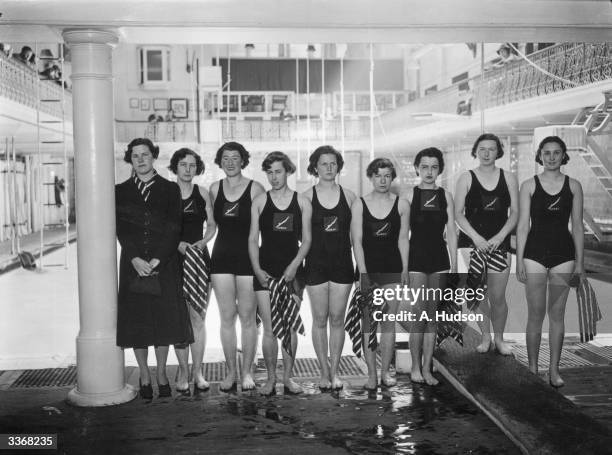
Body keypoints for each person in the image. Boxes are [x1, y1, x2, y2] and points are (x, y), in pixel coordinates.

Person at [115, 138, 193, 399]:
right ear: (130, 159)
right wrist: (135, 258)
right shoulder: (121, 191)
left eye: (145, 154)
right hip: (133, 265)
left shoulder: (170, 189)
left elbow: (174, 227)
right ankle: (144, 374)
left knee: (163, 321)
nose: (140, 159)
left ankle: (161, 372)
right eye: (135, 155)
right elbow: (122, 229)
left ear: (153, 157)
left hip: (165, 264)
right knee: (138, 322)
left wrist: (158, 259)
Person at [516, 136, 584, 388]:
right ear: (540, 155)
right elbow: (523, 226)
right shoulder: (529, 185)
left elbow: (577, 227)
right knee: (535, 314)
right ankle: (533, 368)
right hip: (533, 254)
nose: (552, 157)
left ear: (564, 155)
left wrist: (580, 263)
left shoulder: (574, 186)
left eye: (557, 153)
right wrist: (520, 260)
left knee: (557, 315)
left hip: (563, 255)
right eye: (547, 153)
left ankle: (554, 370)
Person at [248, 151, 312, 396]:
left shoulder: (302, 202)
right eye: (270, 172)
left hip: (293, 271)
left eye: (278, 171)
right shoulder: (260, 202)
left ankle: (288, 377)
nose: (274, 177)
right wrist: (257, 269)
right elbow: (253, 239)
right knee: (270, 328)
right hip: (265, 271)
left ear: (288, 171)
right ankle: (271, 379)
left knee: (290, 327)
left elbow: (307, 240)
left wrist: (295, 265)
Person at [455, 133, 519, 355]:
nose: (486, 153)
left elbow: (516, 213)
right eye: (482, 148)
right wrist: (476, 238)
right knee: (478, 293)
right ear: (475, 151)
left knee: (498, 295)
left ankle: (500, 339)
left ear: (498, 152)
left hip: (499, 242)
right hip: (472, 242)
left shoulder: (509, 178)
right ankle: (485, 336)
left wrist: (500, 237)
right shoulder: (466, 178)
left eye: (491, 149)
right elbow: (458, 214)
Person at [210, 142, 265, 391]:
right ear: (220, 161)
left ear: (243, 160)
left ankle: (247, 372)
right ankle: (231, 371)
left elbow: (263, 229)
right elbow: (211, 225)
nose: (230, 162)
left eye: (235, 158)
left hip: (247, 258)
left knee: (247, 318)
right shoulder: (214, 189)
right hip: (221, 257)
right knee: (226, 318)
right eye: (226, 158)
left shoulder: (255, 189)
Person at [351, 158, 410, 390]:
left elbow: (403, 239)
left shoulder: (402, 204)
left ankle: (385, 372)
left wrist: (404, 269)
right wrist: (363, 273)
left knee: (388, 323)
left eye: (387, 175)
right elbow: (356, 241)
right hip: (368, 270)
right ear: (371, 177)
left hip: (393, 270)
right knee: (368, 324)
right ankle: (372, 375)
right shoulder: (359, 204)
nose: (383, 180)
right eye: (378, 175)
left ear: (392, 177)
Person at [303, 146, 356, 392]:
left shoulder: (350, 197)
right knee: (320, 319)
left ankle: (335, 372)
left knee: (337, 319)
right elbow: (300, 239)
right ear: (315, 166)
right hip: (316, 266)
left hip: (342, 266)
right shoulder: (305, 197)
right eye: (323, 164)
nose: (328, 168)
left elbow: (357, 238)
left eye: (333, 163)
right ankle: (323, 372)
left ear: (338, 166)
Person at [407, 148, 457, 386]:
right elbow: (401, 235)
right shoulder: (409, 196)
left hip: (439, 261)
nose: (429, 171)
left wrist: (455, 264)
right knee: (418, 317)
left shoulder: (446, 196)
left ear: (440, 169)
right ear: (417, 168)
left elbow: (452, 233)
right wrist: (404, 267)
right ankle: (415, 367)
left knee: (433, 318)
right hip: (416, 261)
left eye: (434, 167)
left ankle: (427, 368)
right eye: (424, 166)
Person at [168, 148, 217, 395]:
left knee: (198, 318)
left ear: (196, 169)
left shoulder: (203, 194)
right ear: (175, 167)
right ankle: (183, 371)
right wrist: (176, 243)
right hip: (173, 260)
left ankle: (197, 371)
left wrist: (203, 241)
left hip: (198, 258)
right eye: (183, 165)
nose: (187, 169)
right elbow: (160, 227)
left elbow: (212, 224)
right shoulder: (166, 194)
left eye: (192, 165)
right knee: (179, 319)